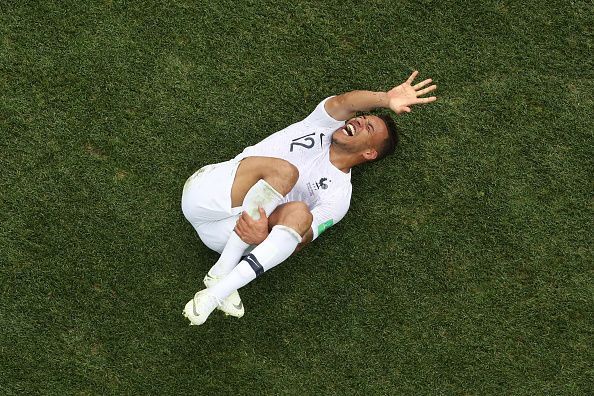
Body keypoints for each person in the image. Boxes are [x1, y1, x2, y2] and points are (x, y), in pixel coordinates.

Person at [181, 71, 437, 325]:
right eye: (363, 118)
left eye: (368, 127)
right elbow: (346, 103)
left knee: (300, 213)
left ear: (370, 153)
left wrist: (261, 238)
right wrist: (385, 98)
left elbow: (299, 240)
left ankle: (215, 291)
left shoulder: (339, 197)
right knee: (285, 172)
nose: (358, 121)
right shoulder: (322, 124)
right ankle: (223, 275)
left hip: (230, 235)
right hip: (208, 193)